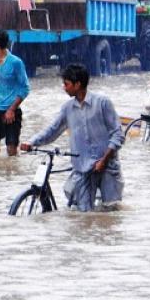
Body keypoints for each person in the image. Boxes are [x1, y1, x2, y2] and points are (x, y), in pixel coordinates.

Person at [20, 64, 125, 212]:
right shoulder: (67, 108)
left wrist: (104, 160)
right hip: (82, 167)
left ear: (78, 84)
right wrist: (31, 142)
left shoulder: (102, 103)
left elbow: (118, 134)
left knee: (111, 210)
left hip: (107, 166)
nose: (64, 87)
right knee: (83, 214)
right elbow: (52, 130)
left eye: (66, 84)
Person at [0, 28, 30, 159]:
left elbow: (24, 88)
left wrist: (12, 109)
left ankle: (12, 176)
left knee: (11, 150)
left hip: (11, 113)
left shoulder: (16, 63)